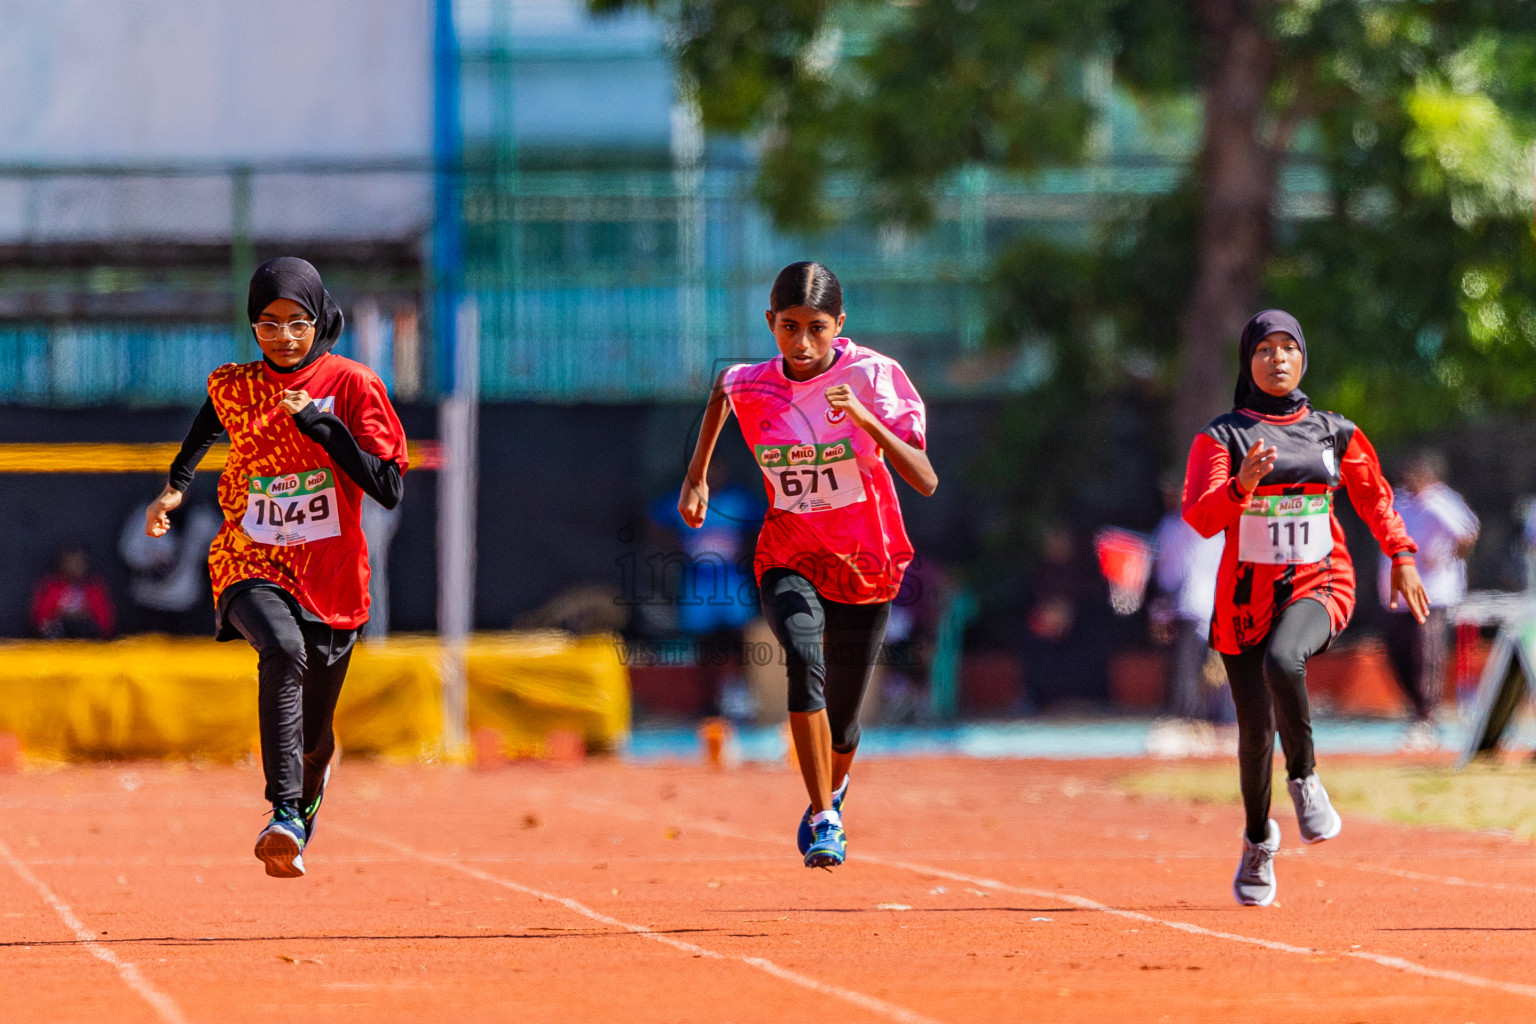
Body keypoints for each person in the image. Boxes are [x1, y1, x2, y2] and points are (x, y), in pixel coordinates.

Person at [145, 257, 408, 878]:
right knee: (282, 649)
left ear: (319, 320)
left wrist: (319, 423)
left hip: (333, 577)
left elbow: (388, 486)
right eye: (268, 325)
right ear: (252, 327)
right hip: (249, 557)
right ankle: (283, 814)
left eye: (297, 323)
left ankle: (305, 792)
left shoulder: (353, 384)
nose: (283, 338)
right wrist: (175, 488)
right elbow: (205, 429)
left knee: (315, 736)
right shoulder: (235, 385)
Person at [678, 261, 937, 868]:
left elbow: (924, 479)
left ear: (839, 325)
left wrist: (867, 419)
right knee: (803, 658)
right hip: (788, 551)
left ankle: (835, 790)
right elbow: (721, 393)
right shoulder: (754, 382)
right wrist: (697, 478)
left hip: (867, 561)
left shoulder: (875, 376)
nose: (801, 343)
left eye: (817, 329)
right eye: (788, 327)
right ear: (770, 323)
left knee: (844, 722)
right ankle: (823, 817)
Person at [1182, 309, 1428, 907]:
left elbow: (1374, 496)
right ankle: (1258, 840)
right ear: (1248, 362)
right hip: (1245, 598)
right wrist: (1241, 485)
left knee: (1285, 661)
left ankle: (1306, 778)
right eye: (1264, 350)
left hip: (1319, 581)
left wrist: (1402, 555)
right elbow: (1201, 515)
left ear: (1303, 358)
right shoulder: (1222, 437)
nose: (1277, 359)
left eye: (1288, 348)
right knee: (1253, 732)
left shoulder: (1334, 432)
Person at [1376, 451, 1478, 750]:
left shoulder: (1441, 500)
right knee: (1397, 653)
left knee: (1426, 655)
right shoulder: (1399, 500)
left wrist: (1446, 557)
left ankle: (1425, 718)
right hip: (1396, 594)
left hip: (1432, 593)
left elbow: (1467, 534)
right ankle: (1417, 712)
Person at [1147, 472, 1233, 756]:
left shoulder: (1176, 525)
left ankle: (1191, 723)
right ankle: (1223, 725)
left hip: (1194, 606)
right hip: (1221, 607)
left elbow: (1169, 573)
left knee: (1191, 673)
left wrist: (1162, 609)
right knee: (1220, 673)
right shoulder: (1227, 519)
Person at [119, 490, 221, 634]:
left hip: (185, 603)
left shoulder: (201, 518)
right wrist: (152, 565)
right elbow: (128, 551)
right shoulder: (146, 515)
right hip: (149, 603)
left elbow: (223, 546)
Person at [30, 543, 115, 640]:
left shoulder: (95, 588)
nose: (76, 566)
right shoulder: (50, 587)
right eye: (72, 562)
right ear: (62, 564)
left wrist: (86, 613)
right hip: (57, 644)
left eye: (79, 562)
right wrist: (60, 614)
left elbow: (107, 624)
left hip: (89, 644)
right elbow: (39, 621)